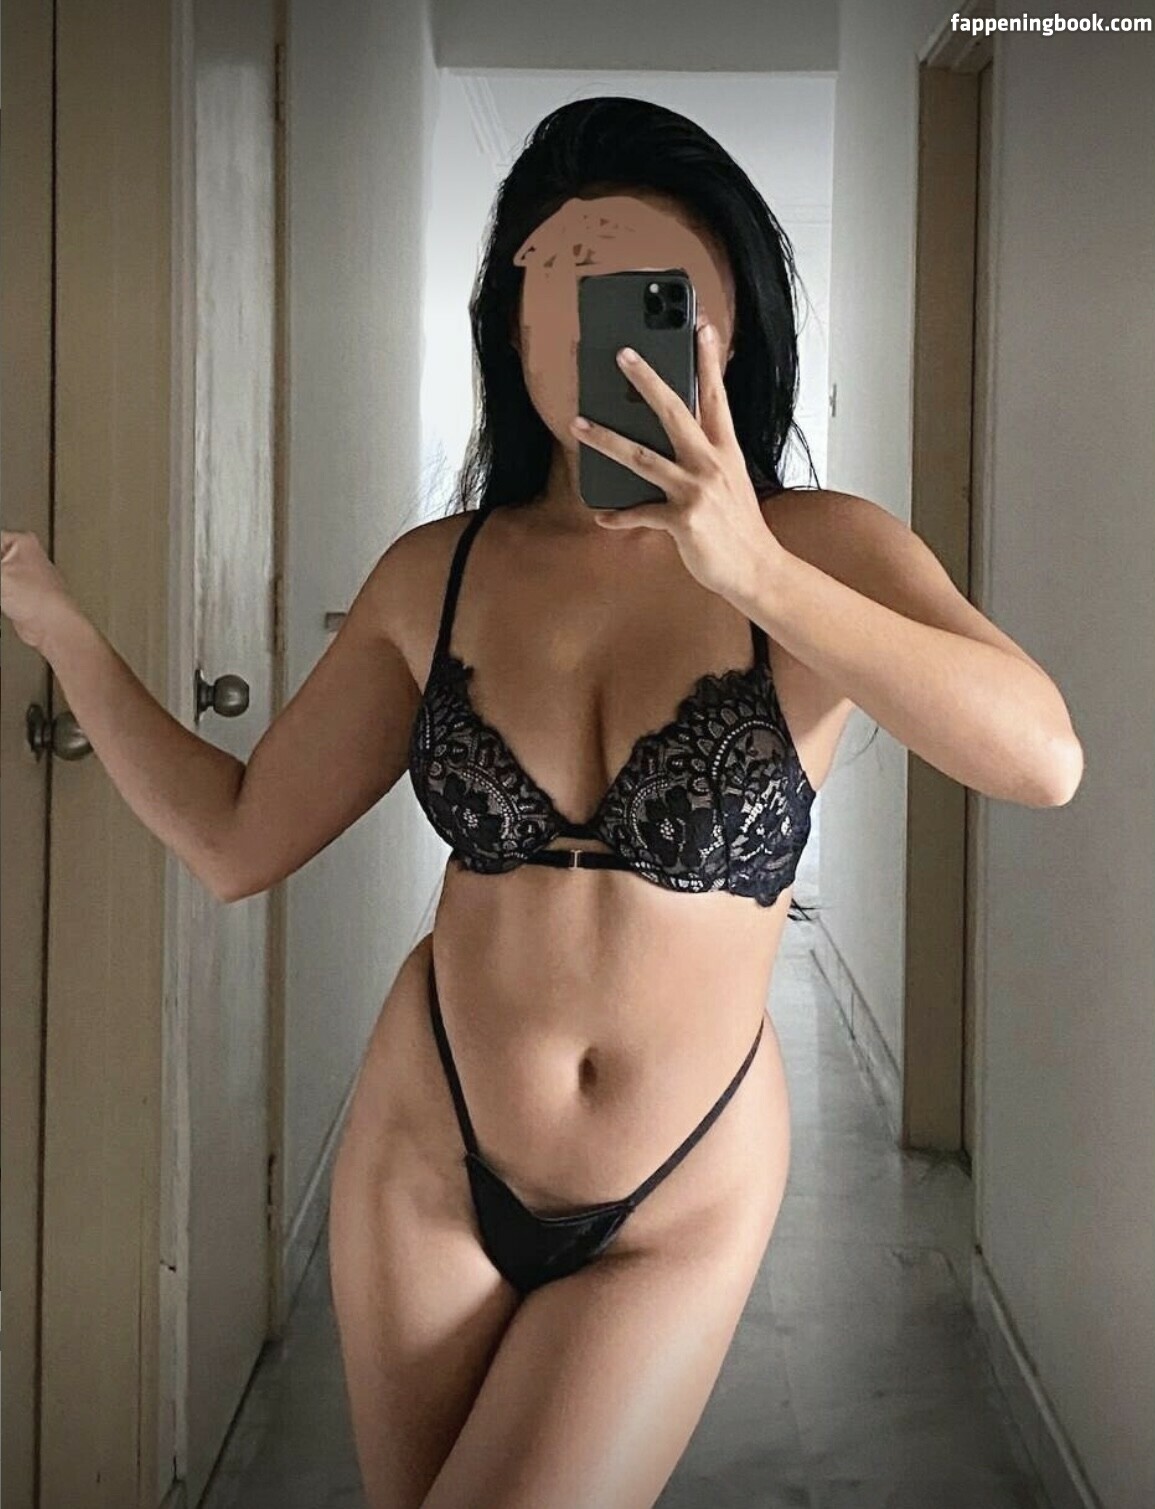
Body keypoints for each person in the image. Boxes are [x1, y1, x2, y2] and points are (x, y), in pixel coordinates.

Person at [0, 96, 1083, 1509]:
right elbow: (234, 840)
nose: (597, 325)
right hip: (427, 1139)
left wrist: (749, 570)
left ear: (729, 327)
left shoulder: (822, 548)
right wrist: (57, 623)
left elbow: (1040, 757)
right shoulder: (434, 572)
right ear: (509, 330)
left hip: (680, 1183)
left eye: (650, 291)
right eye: (559, 282)